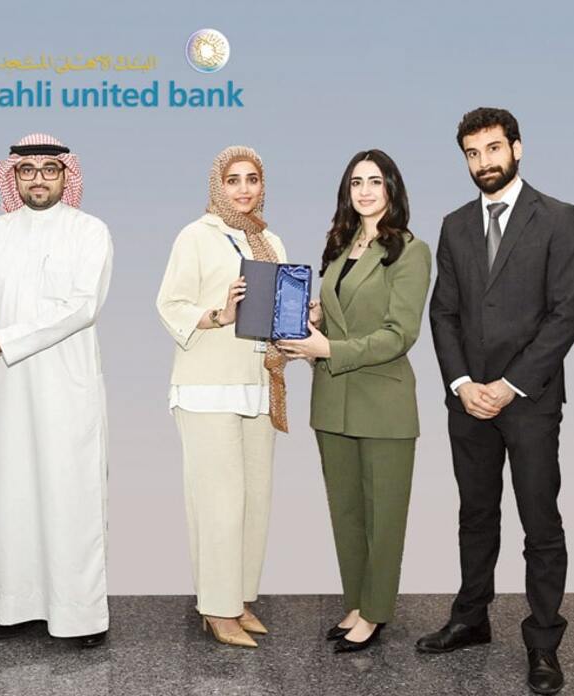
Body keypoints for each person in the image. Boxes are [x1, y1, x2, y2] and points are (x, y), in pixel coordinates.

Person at [419, 108, 574, 695]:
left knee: (540, 521)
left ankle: (543, 642)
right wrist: (463, 383)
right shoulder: (454, 225)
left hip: (530, 399)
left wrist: (509, 384)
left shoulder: (559, 218)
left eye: (493, 148)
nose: (483, 162)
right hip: (468, 401)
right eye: (473, 153)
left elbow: (567, 313)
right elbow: (443, 313)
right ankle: (471, 618)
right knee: (475, 514)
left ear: (517, 148)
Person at [0, 133, 112, 648]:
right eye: (27, 171)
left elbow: (81, 307)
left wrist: (3, 339)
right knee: (13, 493)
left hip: (68, 386)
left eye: (49, 169)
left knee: (71, 497)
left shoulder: (90, 231)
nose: (38, 179)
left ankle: (80, 616)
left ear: (66, 175)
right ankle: (14, 608)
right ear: (13, 177)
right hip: (12, 388)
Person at [278, 149, 431, 653]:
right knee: (346, 514)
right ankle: (356, 602)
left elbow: (399, 334)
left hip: (383, 403)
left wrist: (329, 349)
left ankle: (376, 612)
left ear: (392, 188)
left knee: (383, 517)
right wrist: (316, 320)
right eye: (356, 182)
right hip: (333, 400)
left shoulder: (410, 251)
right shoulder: (341, 247)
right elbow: (344, 314)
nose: (365, 191)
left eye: (375, 181)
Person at [156, 145, 288, 649]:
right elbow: (169, 304)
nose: (244, 189)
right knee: (219, 503)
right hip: (207, 386)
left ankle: (240, 598)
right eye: (233, 180)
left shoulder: (270, 240)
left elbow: (275, 310)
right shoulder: (196, 236)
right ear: (218, 185)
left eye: (252, 178)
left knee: (255, 500)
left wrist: (300, 318)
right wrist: (218, 314)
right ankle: (216, 607)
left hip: (258, 385)